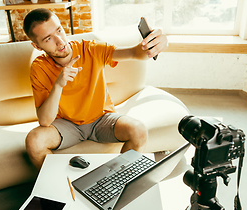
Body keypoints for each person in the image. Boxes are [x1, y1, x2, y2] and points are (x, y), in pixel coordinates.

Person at [23, 8, 168, 169]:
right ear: (36, 46)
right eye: (48, 38)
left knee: (139, 131)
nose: (60, 41)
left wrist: (155, 43)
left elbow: (135, 53)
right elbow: (45, 121)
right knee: (34, 141)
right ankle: (64, 187)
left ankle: (116, 181)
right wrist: (58, 85)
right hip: (66, 125)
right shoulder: (39, 68)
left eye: (59, 30)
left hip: (101, 119)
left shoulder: (89, 49)